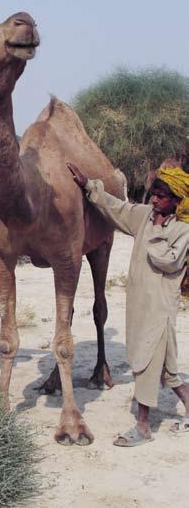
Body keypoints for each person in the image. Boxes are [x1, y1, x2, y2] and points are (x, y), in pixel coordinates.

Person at [67, 162, 189, 446]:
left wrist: (157, 230)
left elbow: (167, 259)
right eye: (154, 194)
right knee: (167, 370)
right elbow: (118, 209)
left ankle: (143, 426)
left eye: (162, 196)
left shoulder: (182, 232)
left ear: (178, 201)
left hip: (159, 309)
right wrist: (89, 187)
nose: (155, 200)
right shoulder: (144, 216)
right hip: (138, 305)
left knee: (146, 365)